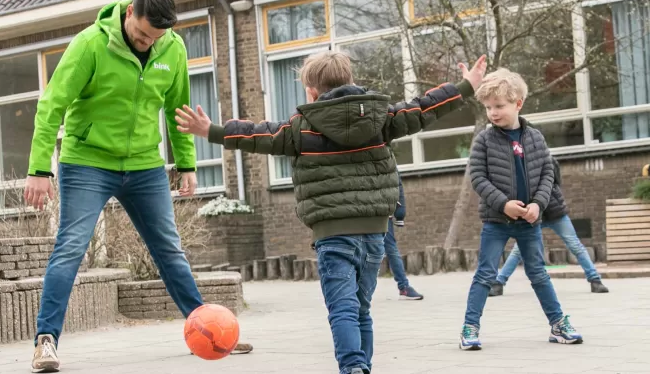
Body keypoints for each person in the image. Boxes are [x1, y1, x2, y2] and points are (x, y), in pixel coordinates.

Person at [173, 50, 486, 374]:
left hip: (333, 234)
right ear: (351, 81)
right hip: (375, 232)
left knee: (343, 308)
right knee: (360, 308)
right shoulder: (380, 117)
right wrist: (465, 86)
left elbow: (257, 135)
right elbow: (422, 109)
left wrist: (212, 130)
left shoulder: (301, 128)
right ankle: (360, 366)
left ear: (311, 91)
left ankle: (352, 368)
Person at [22, 0, 249, 372]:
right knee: (71, 248)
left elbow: (178, 107)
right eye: (143, 35)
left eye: (155, 38)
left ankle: (208, 329)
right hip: (88, 162)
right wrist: (39, 169)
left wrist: (186, 163)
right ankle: (46, 341)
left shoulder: (172, 48)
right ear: (130, 13)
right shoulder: (90, 45)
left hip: (145, 165)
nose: (148, 43)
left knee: (168, 248)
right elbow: (51, 105)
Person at [460, 69, 583, 351]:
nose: (493, 113)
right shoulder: (484, 140)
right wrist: (503, 204)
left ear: (518, 103)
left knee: (538, 273)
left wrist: (537, 205)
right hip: (496, 221)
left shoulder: (536, 139)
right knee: (485, 274)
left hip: (529, 222)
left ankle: (558, 324)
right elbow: (477, 177)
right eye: (489, 107)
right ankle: (470, 327)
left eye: (499, 106)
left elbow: (547, 176)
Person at [490, 156, 609, 295]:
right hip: (533, 215)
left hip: (555, 212)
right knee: (518, 250)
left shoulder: (547, 160)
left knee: (575, 245)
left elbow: (552, 183)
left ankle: (595, 280)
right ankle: (499, 283)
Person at [386, 177, 425, 300]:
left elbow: (397, 184)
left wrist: (400, 213)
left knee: (391, 249)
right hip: (359, 213)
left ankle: (404, 287)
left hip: (382, 212)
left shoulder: (386, 159)